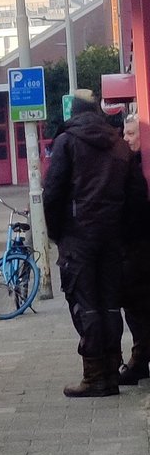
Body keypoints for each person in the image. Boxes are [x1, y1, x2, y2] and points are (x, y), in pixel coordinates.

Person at [43, 89, 148, 397]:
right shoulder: (119, 146)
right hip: (112, 239)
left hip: (78, 238)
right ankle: (112, 374)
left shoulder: (66, 142)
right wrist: (122, 232)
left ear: (74, 113)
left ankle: (94, 376)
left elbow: (52, 193)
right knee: (110, 304)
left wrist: (57, 233)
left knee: (85, 304)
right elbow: (135, 195)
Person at [117, 113, 150, 386]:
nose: (125, 139)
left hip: (138, 246)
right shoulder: (130, 164)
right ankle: (140, 358)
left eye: (130, 134)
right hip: (134, 246)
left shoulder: (136, 168)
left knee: (137, 304)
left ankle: (139, 360)